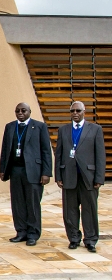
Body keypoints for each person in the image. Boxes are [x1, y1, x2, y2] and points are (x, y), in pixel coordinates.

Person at [55, 101, 105, 253]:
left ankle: (90, 239)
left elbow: (100, 155)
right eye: (72, 111)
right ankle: (74, 238)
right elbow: (59, 154)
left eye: (78, 110)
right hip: (69, 175)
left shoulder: (95, 129)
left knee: (89, 209)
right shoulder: (63, 130)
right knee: (70, 210)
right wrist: (58, 175)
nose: (75, 113)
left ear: (84, 112)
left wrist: (99, 178)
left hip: (88, 177)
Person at [0, 102, 51, 247]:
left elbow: (46, 150)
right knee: (18, 203)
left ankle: (33, 233)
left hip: (33, 171)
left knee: (32, 203)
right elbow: (5, 149)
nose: (20, 113)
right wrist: (3, 169)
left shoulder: (39, 126)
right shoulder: (10, 127)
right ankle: (21, 231)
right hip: (16, 170)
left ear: (30, 111)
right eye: (18, 111)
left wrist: (46, 172)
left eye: (24, 110)